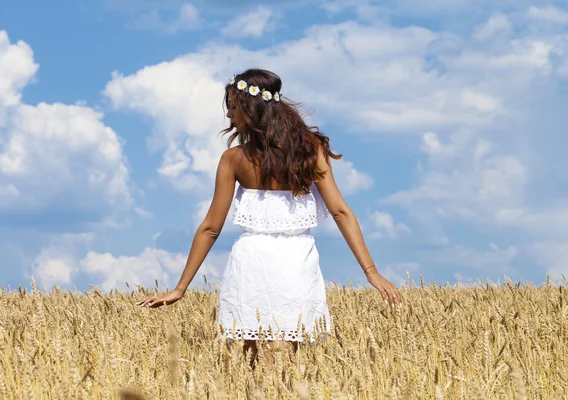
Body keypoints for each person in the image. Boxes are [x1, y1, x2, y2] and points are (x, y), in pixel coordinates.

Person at [136, 68, 402, 365]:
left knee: (255, 362)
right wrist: (371, 271)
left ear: (252, 109)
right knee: (282, 360)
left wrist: (180, 288)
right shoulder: (309, 151)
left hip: (252, 261)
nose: (229, 116)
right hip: (296, 260)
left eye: (233, 107)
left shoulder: (234, 160)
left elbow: (211, 228)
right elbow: (341, 211)